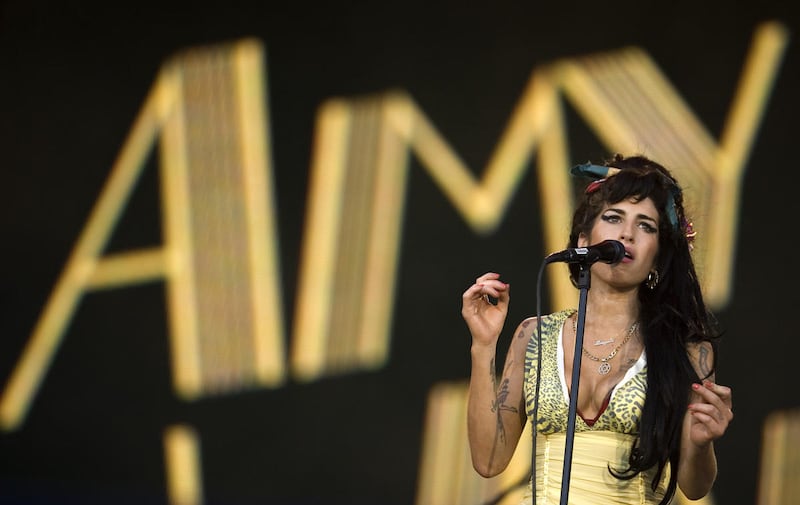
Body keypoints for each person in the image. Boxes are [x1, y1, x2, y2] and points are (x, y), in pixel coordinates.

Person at [462, 154, 734, 504]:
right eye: (613, 217)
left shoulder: (686, 350)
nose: (627, 233)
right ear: (581, 240)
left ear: (657, 256)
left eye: (646, 226)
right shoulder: (533, 336)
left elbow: (695, 488)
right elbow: (488, 460)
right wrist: (483, 345)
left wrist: (701, 444)